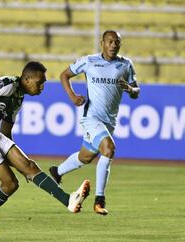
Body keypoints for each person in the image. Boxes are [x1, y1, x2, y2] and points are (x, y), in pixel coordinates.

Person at [0, 61, 90, 236]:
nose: (42, 87)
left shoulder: (18, 98)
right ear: (26, 79)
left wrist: (19, 165)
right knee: (10, 183)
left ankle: (69, 200)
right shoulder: (7, 84)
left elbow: (6, 130)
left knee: (30, 167)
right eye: (39, 82)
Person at [48, 30, 140, 216]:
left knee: (86, 157)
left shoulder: (126, 64)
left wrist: (130, 89)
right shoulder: (89, 61)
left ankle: (57, 172)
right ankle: (99, 200)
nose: (113, 45)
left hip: (109, 121)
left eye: (117, 42)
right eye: (110, 41)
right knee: (109, 149)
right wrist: (72, 96)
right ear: (102, 43)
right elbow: (64, 75)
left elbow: (137, 91)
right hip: (91, 118)